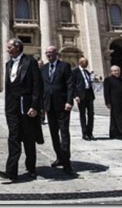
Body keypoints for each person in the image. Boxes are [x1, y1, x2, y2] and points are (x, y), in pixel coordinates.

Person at [0, 38, 43, 181]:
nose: (7, 49)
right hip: (11, 107)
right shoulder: (8, 64)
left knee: (29, 139)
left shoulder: (31, 62)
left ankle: (31, 168)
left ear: (17, 47)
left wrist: (35, 106)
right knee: (13, 137)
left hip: (26, 105)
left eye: (9, 47)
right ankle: (11, 171)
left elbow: (37, 85)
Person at [40, 46, 75, 175]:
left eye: (51, 52)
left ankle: (67, 162)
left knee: (64, 133)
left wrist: (69, 101)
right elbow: (42, 88)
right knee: (54, 134)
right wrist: (41, 107)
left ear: (56, 54)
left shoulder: (64, 66)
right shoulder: (43, 69)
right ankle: (59, 157)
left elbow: (70, 84)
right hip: (49, 106)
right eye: (47, 52)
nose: (49, 54)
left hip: (63, 105)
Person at [73, 57, 96, 140]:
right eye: (85, 62)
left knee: (91, 114)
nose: (87, 64)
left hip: (89, 95)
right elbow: (73, 85)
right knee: (82, 115)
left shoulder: (87, 72)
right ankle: (84, 133)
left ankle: (90, 133)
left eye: (87, 62)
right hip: (81, 96)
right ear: (80, 63)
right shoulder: (75, 72)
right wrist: (75, 95)